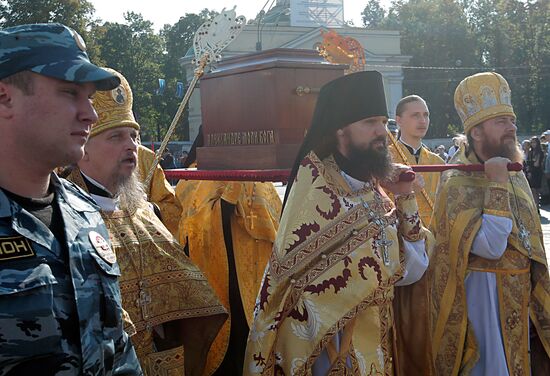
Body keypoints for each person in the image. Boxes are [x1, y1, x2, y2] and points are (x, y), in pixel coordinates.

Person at [244, 71, 432, 375]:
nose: (382, 132)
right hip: (325, 353)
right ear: (340, 130)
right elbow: (294, 286)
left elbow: (413, 269)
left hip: (378, 345)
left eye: (384, 122)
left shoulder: (375, 190)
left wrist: (405, 198)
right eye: (370, 122)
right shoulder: (314, 189)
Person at [65, 68, 227, 376]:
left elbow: (191, 294)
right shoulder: (67, 214)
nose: (132, 147)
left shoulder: (143, 212)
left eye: (134, 136)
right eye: (116, 137)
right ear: (82, 150)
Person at [0, 23, 141, 374]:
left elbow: (116, 349)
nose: (91, 114)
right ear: (5, 98)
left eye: (90, 97)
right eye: (69, 93)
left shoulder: (85, 214)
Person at [430, 72, 550, 375]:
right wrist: (496, 185)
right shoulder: (456, 181)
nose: (512, 128)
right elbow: (492, 248)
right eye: (501, 122)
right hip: (482, 301)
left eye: (512, 120)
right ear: (477, 132)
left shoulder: (515, 172)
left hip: (520, 295)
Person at [175, 128, 282, 376]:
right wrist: (229, 197)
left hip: (255, 287)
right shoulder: (193, 177)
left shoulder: (258, 176)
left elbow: (275, 225)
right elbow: (193, 228)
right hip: (219, 283)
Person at [391, 94, 444, 227]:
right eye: (415, 115)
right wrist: (407, 192)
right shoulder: (386, 158)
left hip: (433, 236)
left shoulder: (438, 162)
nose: (422, 121)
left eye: (426, 115)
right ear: (399, 120)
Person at [137, 144, 183, 238]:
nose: (130, 145)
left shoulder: (145, 157)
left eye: (132, 136)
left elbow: (172, 207)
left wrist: (149, 208)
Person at [526, 136, 545, 210]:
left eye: (534, 142)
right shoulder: (530, 152)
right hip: (531, 171)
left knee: (536, 190)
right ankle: (533, 207)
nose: (533, 144)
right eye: (532, 142)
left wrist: (531, 165)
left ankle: (537, 207)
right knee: (531, 190)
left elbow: (536, 164)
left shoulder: (540, 152)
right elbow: (528, 162)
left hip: (537, 172)